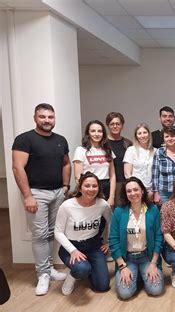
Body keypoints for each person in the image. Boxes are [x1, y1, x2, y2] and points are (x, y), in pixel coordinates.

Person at [12, 103, 70, 295]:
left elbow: (66, 164)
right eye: (42, 117)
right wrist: (28, 196)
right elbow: (17, 168)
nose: (47, 120)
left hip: (57, 193)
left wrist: (65, 186)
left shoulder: (61, 140)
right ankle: (43, 274)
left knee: (53, 233)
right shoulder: (24, 139)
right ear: (35, 118)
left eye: (50, 117)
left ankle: (50, 269)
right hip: (36, 194)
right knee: (39, 234)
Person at [54, 172, 111, 295]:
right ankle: (74, 274)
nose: (91, 189)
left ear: (98, 188)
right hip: (72, 247)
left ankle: (88, 267)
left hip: (94, 246)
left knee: (102, 286)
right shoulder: (67, 206)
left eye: (94, 186)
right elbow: (58, 232)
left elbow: (112, 223)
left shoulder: (102, 204)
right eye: (87, 186)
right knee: (82, 269)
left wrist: (109, 242)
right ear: (80, 187)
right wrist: (72, 250)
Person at [109, 177, 165, 300]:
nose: (133, 193)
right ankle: (137, 274)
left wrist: (153, 264)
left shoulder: (153, 210)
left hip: (147, 257)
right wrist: (122, 267)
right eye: (129, 191)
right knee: (125, 294)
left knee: (156, 290)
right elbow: (113, 240)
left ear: (142, 191)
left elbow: (159, 238)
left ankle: (141, 273)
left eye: (136, 189)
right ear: (125, 194)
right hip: (127, 259)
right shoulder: (119, 212)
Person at [73, 120, 116, 206]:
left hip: (105, 188)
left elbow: (112, 175)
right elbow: (78, 177)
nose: (96, 134)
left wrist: (111, 197)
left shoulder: (107, 150)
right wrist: (86, 193)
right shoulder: (81, 150)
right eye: (93, 131)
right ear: (88, 133)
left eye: (99, 131)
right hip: (89, 188)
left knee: (106, 218)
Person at [152, 126, 175, 205]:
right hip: (164, 193)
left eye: (172, 136)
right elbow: (155, 174)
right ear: (163, 138)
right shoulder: (159, 152)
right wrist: (156, 193)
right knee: (165, 216)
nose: (169, 138)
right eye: (167, 136)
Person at [123, 123, 156, 201]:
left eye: (145, 132)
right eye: (139, 133)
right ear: (136, 136)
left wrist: (152, 190)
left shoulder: (155, 151)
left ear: (149, 134)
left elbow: (156, 174)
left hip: (150, 192)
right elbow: (127, 173)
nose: (142, 135)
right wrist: (134, 189)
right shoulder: (131, 150)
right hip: (135, 191)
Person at [106, 112, 133, 203]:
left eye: (118, 124)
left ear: (122, 125)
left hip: (124, 182)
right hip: (107, 183)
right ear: (108, 125)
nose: (115, 126)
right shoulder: (103, 143)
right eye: (112, 124)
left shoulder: (128, 143)